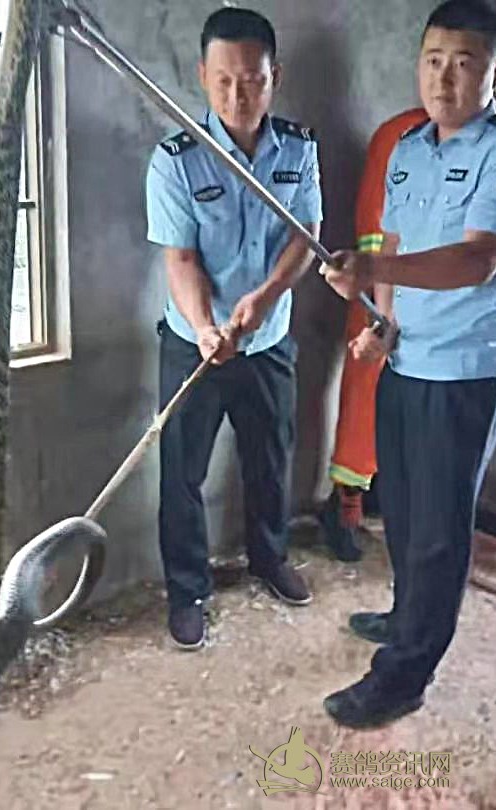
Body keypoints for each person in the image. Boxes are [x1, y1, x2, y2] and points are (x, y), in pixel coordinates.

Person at [322, 0, 496, 727]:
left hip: (463, 373)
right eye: (433, 61)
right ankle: (405, 617)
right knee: (400, 506)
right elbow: (390, 245)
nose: (444, 79)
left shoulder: (493, 152)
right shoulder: (407, 148)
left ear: (491, 73)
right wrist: (381, 323)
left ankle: (403, 677)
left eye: (464, 63)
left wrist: (373, 274)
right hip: (407, 361)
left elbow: (476, 260)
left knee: (438, 530)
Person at [146, 6, 323, 650]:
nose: (237, 95)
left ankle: (269, 559)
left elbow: (306, 235)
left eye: (251, 80)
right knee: (182, 473)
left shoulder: (299, 150)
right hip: (194, 343)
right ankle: (188, 590)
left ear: (275, 77)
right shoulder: (175, 160)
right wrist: (205, 327)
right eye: (222, 80)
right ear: (202, 76)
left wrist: (267, 299)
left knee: (270, 459)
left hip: (268, 341)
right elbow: (181, 259)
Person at [320, 107, 428, 563]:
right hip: (390, 289)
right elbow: (374, 229)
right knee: (366, 393)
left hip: (451, 300)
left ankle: (388, 488)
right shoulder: (399, 134)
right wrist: (384, 309)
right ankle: (346, 499)